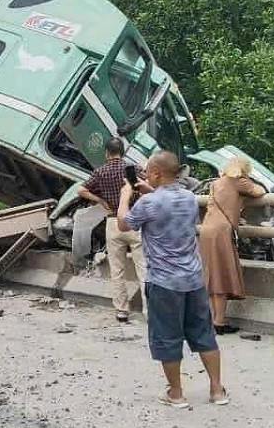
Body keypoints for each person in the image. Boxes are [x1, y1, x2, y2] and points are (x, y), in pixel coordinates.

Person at [117, 151, 228, 407]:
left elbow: (125, 224)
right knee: (204, 333)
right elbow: (165, 206)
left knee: (167, 337)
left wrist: (125, 197)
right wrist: (150, 191)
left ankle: (176, 393)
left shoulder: (148, 203)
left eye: (147, 171)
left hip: (164, 282)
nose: (144, 174)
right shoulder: (189, 198)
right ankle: (217, 390)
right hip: (193, 279)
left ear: (156, 173)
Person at [77, 137, 147, 322]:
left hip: (113, 222)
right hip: (135, 220)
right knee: (144, 268)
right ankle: (150, 311)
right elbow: (148, 186)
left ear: (106, 153)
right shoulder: (133, 169)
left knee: (117, 270)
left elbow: (81, 190)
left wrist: (100, 200)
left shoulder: (100, 172)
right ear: (122, 152)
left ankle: (122, 311)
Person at [200, 156, 265, 334]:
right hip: (221, 232)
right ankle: (219, 322)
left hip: (206, 229)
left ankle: (215, 319)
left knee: (212, 275)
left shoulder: (216, 183)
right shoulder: (240, 181)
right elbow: (259, 191)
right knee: (221, 275)